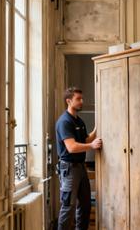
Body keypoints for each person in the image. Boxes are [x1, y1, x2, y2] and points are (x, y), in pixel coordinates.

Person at [56, 87, 101, 230]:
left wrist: (97, 128)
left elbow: (86, 139)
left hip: (81, 167)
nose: (82, 101)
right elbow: (72, 147)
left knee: (85, 204)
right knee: (68, 206)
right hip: (69, 169)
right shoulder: (64, 122)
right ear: (69, 101)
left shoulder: (79, 121)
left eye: (82, 99)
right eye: (78, 99)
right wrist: (92, 145)